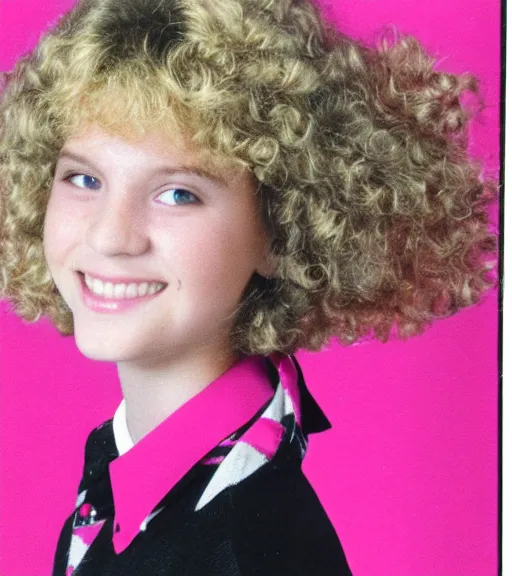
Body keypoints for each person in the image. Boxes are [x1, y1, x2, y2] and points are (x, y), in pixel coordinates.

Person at [0, 0, 496, 574]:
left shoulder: (244, 548)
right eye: (84, 179)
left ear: (280, 231)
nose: (110, 237)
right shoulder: (131, 485)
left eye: (178, 193)